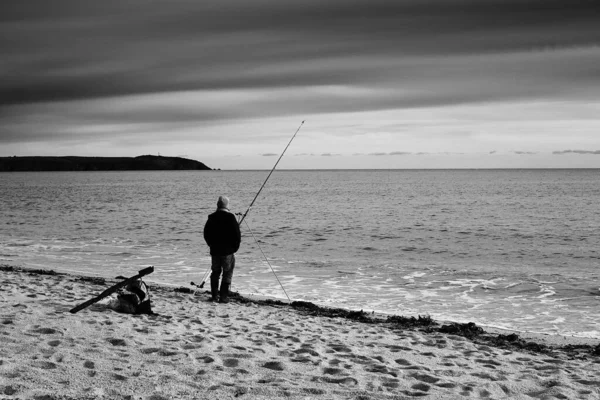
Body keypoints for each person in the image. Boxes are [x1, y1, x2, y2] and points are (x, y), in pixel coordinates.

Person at [203, 196, 241, 303]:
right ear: (227, 205)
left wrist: (211, 244)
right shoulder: (230, 217)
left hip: (215, 251)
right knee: (227, 272)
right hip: (227, 251)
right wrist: (235, 248)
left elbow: (206, 233)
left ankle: (214, 296)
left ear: (217, 205)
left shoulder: (212, 217)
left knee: (215, 272)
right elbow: (237, 235)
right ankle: (223, 297)